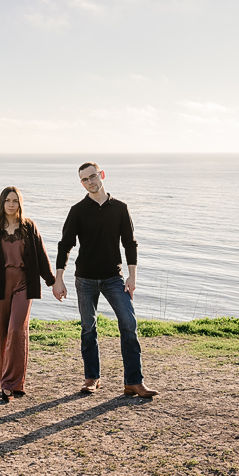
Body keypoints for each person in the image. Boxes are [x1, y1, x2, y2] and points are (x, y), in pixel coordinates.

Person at [52, 162, 159, 398]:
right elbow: (65, 245)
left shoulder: (120, 208)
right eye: (84, 180)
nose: (90, 182)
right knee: (88, 327)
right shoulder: (77, 210)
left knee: (129, 323)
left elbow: (130, 243)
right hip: (85, 279)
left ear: (101, 175)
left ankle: (134, 382)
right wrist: (58, 279)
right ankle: (92, 378)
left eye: (92, 176)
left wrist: (132, 276)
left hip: (114, 278)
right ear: (81, 183)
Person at [0, 186, 56, 402]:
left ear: (20, 203)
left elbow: (41, 256)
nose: (11, 204)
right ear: (2, 203)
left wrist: (52, 282)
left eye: (15, 200)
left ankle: (11, 384)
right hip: (0, 284)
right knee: (2, 333)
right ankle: (10, 382)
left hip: (24, 283)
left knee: (17, 330)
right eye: (8, 200)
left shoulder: (29, 227)